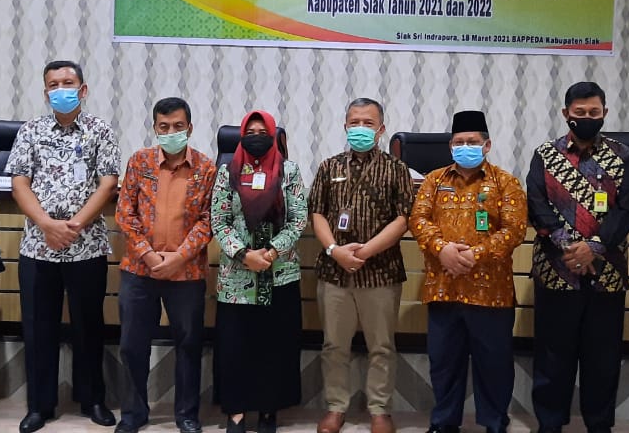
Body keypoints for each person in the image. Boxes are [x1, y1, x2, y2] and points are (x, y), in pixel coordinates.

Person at [8, 60, 121, 433]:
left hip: (85, 246)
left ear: (83, 90)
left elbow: (107, 184)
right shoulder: (30, 131)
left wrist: (73, 226)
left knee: (88, 326)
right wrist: (46, 224)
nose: (61, 89)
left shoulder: (100, 130)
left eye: (68, 82)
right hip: (38, 247)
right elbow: (19, 183)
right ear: (46, 92)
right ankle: (39, 406)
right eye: (54, 84)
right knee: (38, 327)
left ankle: (93, 399)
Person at [526, 82, 629, 433]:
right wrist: (568, 245)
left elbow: (628, 209)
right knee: (552, 358)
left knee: (603, 360)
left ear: (605, 113)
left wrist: (593, 246)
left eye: (594, 112)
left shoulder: (623, 156)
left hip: (606, 274)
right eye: (580, 113)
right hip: (555, 270)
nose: (588, 118)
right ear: (566, 114)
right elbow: (536, 203)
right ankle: (549, 424)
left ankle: (599, 425)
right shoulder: (545, 154)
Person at [411, 110, 528, 433]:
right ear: (450, 146)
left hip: (491, 292)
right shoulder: (434, 180)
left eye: (472, 142)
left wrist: (474, 254)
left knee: (494, 365)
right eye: (459, 142)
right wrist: (442, 250)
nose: (465, 147)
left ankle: (494, 422)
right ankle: (444, 423)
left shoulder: (505, 182)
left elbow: (514, 229)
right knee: (444, 364)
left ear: (486, 145)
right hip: (443, 288)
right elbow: (418, 219)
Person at [310, 98, 413, 433]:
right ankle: (335, 407)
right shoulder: (328, 167)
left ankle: (380, 410)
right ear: (345, 126)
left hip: (381, 271)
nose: (360, 128)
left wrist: (366, 251)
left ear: (381, 129)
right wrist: (334, 250)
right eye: (354, 122)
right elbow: (317, 213)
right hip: (334, 272)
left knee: (381, 346)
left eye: (368, 123)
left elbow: (404, 218)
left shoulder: (397, 169)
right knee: (334, 345)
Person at [115, 97, 217, 433]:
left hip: (186, 272)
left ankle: (187, 414)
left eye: (177, 126)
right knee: (132, 345)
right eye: (164, 127)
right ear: (155, 128)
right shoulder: (139, 161)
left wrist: (178, 257)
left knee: (188, 344)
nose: (171, 132)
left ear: (190, 128)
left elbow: (208, 220)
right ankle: (133, 414)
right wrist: (147, 254)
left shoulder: (206, 168)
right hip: (139, 270)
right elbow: (125, 213)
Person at [211, 111, 308, 433]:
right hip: (236, 279)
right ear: (240, 136)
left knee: (274, 346)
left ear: (273, 136)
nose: (256, 137)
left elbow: (298, 219)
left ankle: (269, 410)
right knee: (235, 346)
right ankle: (236, 412)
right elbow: (219, 221)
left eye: (262, 131)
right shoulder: (227, 173)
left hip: (279, 275)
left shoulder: (289, 171)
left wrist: (272, 252)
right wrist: (244, 254)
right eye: (249, 132)